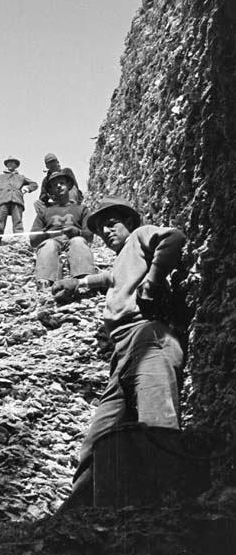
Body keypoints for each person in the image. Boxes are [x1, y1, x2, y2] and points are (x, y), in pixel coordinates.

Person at [52, 195, 186, 505]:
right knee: (99, 436)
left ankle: (169, 507)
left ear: (129, 223)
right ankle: (79, 511)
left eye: (112, 224)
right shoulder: (122, 260)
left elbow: (173, 237)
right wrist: (75, 285)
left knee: (157, 421)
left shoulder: (141, 236)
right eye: (100, 229)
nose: (106, 231)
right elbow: (107, 279)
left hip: (148, 335)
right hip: (121, 354)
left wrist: (153, 280)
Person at [29, 170, 94, 290]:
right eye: (54, 185)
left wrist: (77, 232)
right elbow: (33, 239)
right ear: (51, 191)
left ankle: (85, 279)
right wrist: (46, 234)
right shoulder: (44, 212)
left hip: (74, 239)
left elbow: (89, 236)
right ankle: (45, 283)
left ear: (69, 186)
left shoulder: (82, 209)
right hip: (52, 241)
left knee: (78, 242)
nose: (58, 186)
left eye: (61, 183)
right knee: (48, 245)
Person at [0, 156, 38, 233]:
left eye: (13, 162)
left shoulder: (21, 177)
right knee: (0, 221)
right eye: (9, 162)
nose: (10, 164)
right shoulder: (0, 177)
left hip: (17, 200)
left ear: (16, 165)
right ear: (6, 165)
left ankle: (19, 240)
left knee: (18, 221)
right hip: (3, 200)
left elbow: (34, 184)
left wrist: (27, 189)